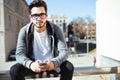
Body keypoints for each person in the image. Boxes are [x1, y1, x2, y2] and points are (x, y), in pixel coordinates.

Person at [9, 0, 74, 80]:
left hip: (52, 64)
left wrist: (54, 62)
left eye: (42, 15)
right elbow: (19, 55)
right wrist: (31, 64)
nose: (39, 18)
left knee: (69, 67)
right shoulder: (24, 31)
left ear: (46, 15)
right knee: (14, 70)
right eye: (35, 15)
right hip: (34, 64)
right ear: (31, 17)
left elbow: (64, 52)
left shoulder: (56, 29)